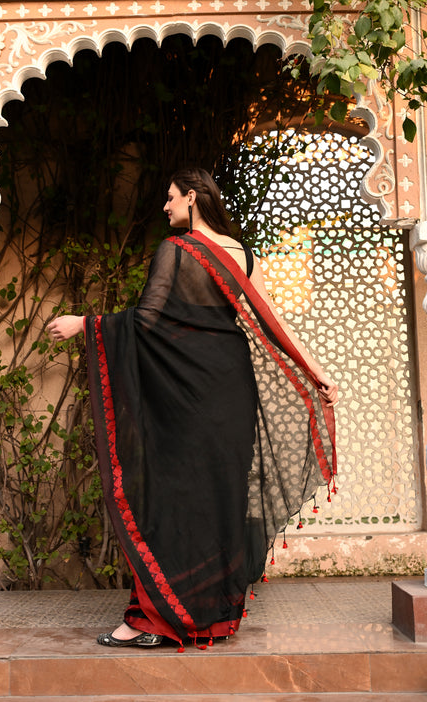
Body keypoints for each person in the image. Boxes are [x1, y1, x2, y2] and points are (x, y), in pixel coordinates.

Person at [47, 167, 338, 650]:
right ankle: (208, 619)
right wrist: (315, 371)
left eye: (170, 197)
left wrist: (86, 323)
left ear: (193, 198)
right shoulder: (242, 253)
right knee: (221, 497)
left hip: (187, 397)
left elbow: (147, 321)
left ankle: (154, 620)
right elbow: (272, 323)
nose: (165, 206)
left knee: (174, 498)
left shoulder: (176, 251)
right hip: (230, 391)